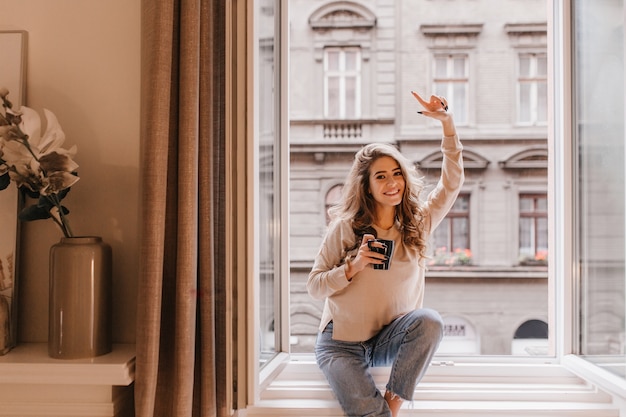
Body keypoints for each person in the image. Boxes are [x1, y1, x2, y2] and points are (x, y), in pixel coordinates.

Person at [307, 92, 464, 417]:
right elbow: (315, 286)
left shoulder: (418, 222)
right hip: (340, 344)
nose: (392, 183)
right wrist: (352, 266)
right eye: (381, 176)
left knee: (430, 322)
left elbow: (451, 183)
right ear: (367, 186)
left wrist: (447, 124)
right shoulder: (346, 227)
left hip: (388, 339)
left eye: (397, 174)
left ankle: (392, 407)